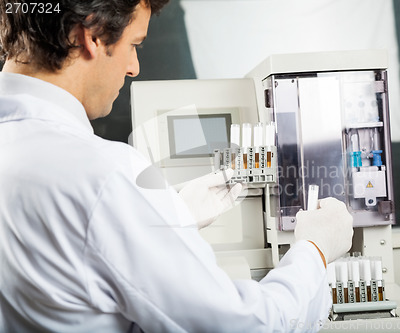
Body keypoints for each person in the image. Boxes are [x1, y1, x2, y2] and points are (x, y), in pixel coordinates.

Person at [0, 0, 354, 332]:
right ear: (90, 36)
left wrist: (170, 217)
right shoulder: (104, 175)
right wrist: (315, 251)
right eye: (134, 44)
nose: (133, 67)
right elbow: (247, 325)